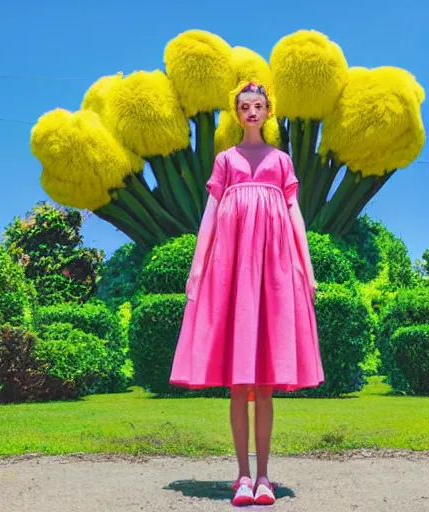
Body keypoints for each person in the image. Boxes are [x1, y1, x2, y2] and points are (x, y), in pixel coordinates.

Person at [169, 82, 324, 507]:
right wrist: (197, 267)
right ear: (236, 114)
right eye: (244, 107)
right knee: (239, 384)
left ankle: (265, 478)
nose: (251, 112)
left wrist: (306, 269)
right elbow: (210, 214)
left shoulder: (281, 161)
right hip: (232, 271)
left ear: (268, 111)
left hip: (274, 271)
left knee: (266, 384)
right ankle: (241, 477)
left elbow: (295, 215)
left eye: (258, 106)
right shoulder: (224, 161)